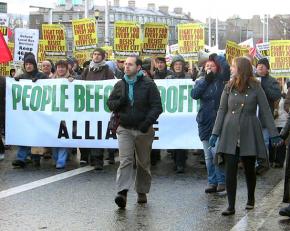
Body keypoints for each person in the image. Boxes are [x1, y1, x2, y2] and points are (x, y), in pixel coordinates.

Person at [209, 57, 283, 216]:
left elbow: (265, 110)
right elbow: (222, 110)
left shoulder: (256, 86)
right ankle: (231, 206)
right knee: (230, 169)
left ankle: (250, 199)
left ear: (241, 68)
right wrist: (215, 132)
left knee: (249, 168)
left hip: (249, 130)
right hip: (229, 131)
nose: (231, 69)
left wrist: (274, 134)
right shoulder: (228, 86)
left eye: (233, 66)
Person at [107, 56, 162, 208]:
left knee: (143, 163)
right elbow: (110, 104)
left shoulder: (148, 84)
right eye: (125, 64)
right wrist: (120, 101)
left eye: (130, 64)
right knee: (125, 160)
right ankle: (122, 192)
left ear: (138, 67)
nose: (126, 66)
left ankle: (142, 191)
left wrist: (146, 123)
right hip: (124, 128)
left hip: (143, 129)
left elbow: (157, 107)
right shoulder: (120, 84)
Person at [191, 54, 230, 193]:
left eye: (212, 65)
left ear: (216, 67)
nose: (209, 67)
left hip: (218, 121)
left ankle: (221, 181)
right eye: (207, 65)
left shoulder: (221, 79)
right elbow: (194, 94)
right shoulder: (201, 80)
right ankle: (212, 181)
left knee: (216, 152)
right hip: (205, 121)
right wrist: (206, 80)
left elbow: (225, 66)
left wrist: (215, 57)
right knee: (208, 155)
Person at [81, 48, 114, 170]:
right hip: (88, 107)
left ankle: (99, 159)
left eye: (98, 55)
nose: (96, 57)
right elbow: (80, 83)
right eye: (94, 54)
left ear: (103, 57)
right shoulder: (87, 70)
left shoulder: (107, 70)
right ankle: (91, 158)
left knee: (98, 132)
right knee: (89, 132)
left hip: (101, 107)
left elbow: (111, 85)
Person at [12, 52, 47, 168]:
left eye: (30, 64)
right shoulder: (22, 77)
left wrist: (40, 81)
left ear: (34, 65)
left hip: (38, 112)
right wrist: (15, 81)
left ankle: (35, 158)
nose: (28, 66)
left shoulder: (41, 76)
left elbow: (50, 87)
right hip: (25, 113)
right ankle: (21, 158)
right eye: (26, 64)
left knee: (35, 135)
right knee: (25, 134)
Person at [255, 58, 281, 174]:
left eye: (262, 67)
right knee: (253, 141)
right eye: (258, 67)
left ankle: (263, 163)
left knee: (264, 141)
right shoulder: (252, 79)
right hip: (252, 116)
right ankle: (255, 163)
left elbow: (276, 95)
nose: (259, 69)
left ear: (267, 69)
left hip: (264, 117)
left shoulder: (272, 81)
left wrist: (263, 88)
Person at [167, 55, 191, 173]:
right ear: (173, 66)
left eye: (180, 65)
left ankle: (180, 163)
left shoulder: (188, 78)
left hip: (183, 112)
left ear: (183, 66)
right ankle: (175, 160)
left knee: (182, 137)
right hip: (171, 113)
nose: (178, 66)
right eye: (176, 64)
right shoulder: (168, 79)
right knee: (173, 137)